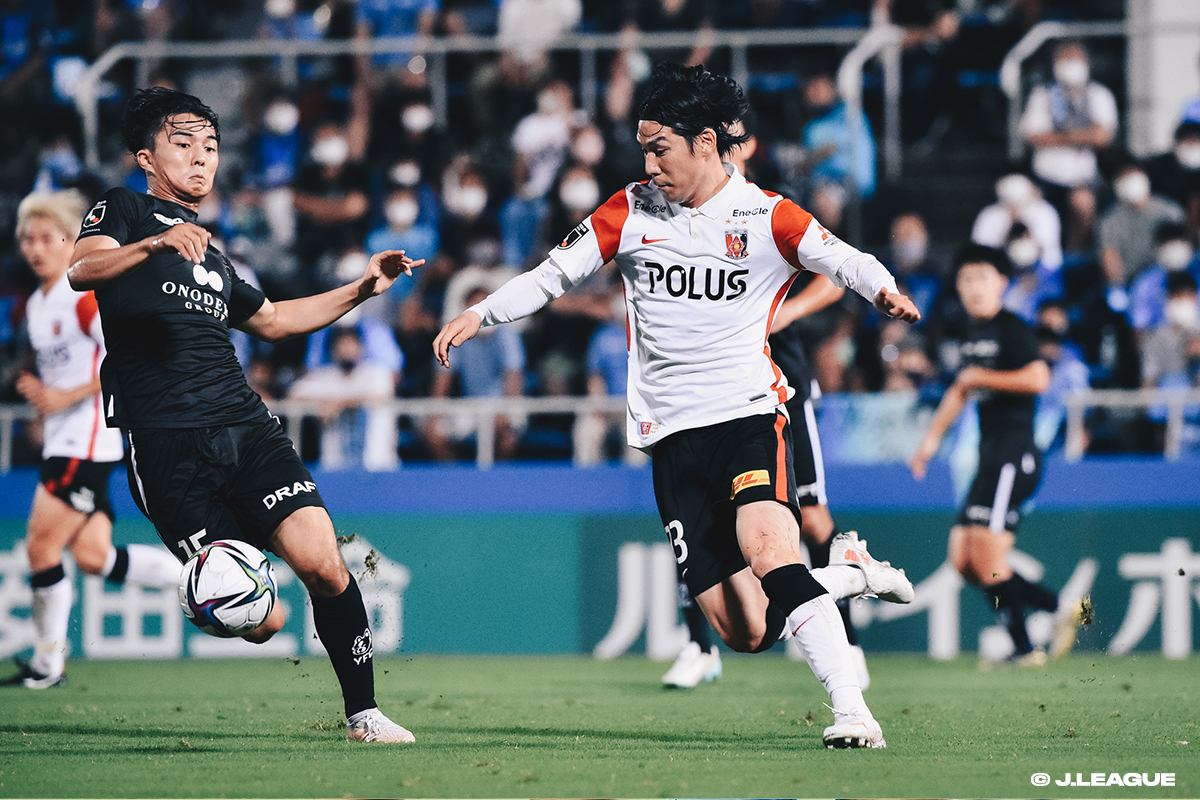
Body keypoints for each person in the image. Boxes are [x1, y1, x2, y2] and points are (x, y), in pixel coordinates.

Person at [435, 63, 920, 748]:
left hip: (747, 416)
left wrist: (885, 289)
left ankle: (853, 712)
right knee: (747, 630)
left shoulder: (765, 215)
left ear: (704, 142)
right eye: (643, 149)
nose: (649, 164)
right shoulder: (629, 210)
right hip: (669, 437)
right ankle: (849, 575)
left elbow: (844, 259)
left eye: (659, 148)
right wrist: (479, 313)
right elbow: (551, 276)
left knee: (771, 550)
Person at [66, 87, 423, 743]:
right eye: (183, 143)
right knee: (260, 622)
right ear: (146, 158)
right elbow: (81, 270)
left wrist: (362, 288)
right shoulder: (123, 210)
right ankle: (223, 597)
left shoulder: (212, 255)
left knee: (324, 563)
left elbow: (275, 320)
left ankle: (364, 715)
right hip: (167, 445)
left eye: (210, 145)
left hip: (246, 427)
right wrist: (154, 244)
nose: (201, 157)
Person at [2, 190, 183, 690]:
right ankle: (195, 574)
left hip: (85, 442)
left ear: (71, 241)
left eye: (48, 238)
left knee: (40, 549)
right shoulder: (38, 303)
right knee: (93, 557)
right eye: (28, 239)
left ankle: (48, 665)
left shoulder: (80, 297)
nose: (36, 248)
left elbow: (123, 355)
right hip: (67, 441)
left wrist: (65, 397)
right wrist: (43, 395)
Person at [909, 244, 1083, 665]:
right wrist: (930, 442)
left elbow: (1039, 378)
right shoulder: (971, 332)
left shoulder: (1012, 329)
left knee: (987, 559)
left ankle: (1024, 649)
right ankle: (1058, 606)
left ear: (1002, 283)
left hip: (1014, 456)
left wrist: (980, 376)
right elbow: (961, 388)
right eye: (966, 279)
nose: (973, 287)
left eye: (982, 278)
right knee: (964, 561)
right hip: (989, 458)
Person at [1019, 40, 1118, 253]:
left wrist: (1058, 136)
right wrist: (1082, 135)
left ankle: (1074, 256)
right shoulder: (1042, 94)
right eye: (1064, 59)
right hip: (1045, 177)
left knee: (1083, 203)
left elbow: (1102, 137)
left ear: (1086, 63)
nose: (1070, 64)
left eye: (1075, 59)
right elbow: (1033, 137)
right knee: (1023, 206)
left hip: (1084, 177)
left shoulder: (1099, 94)